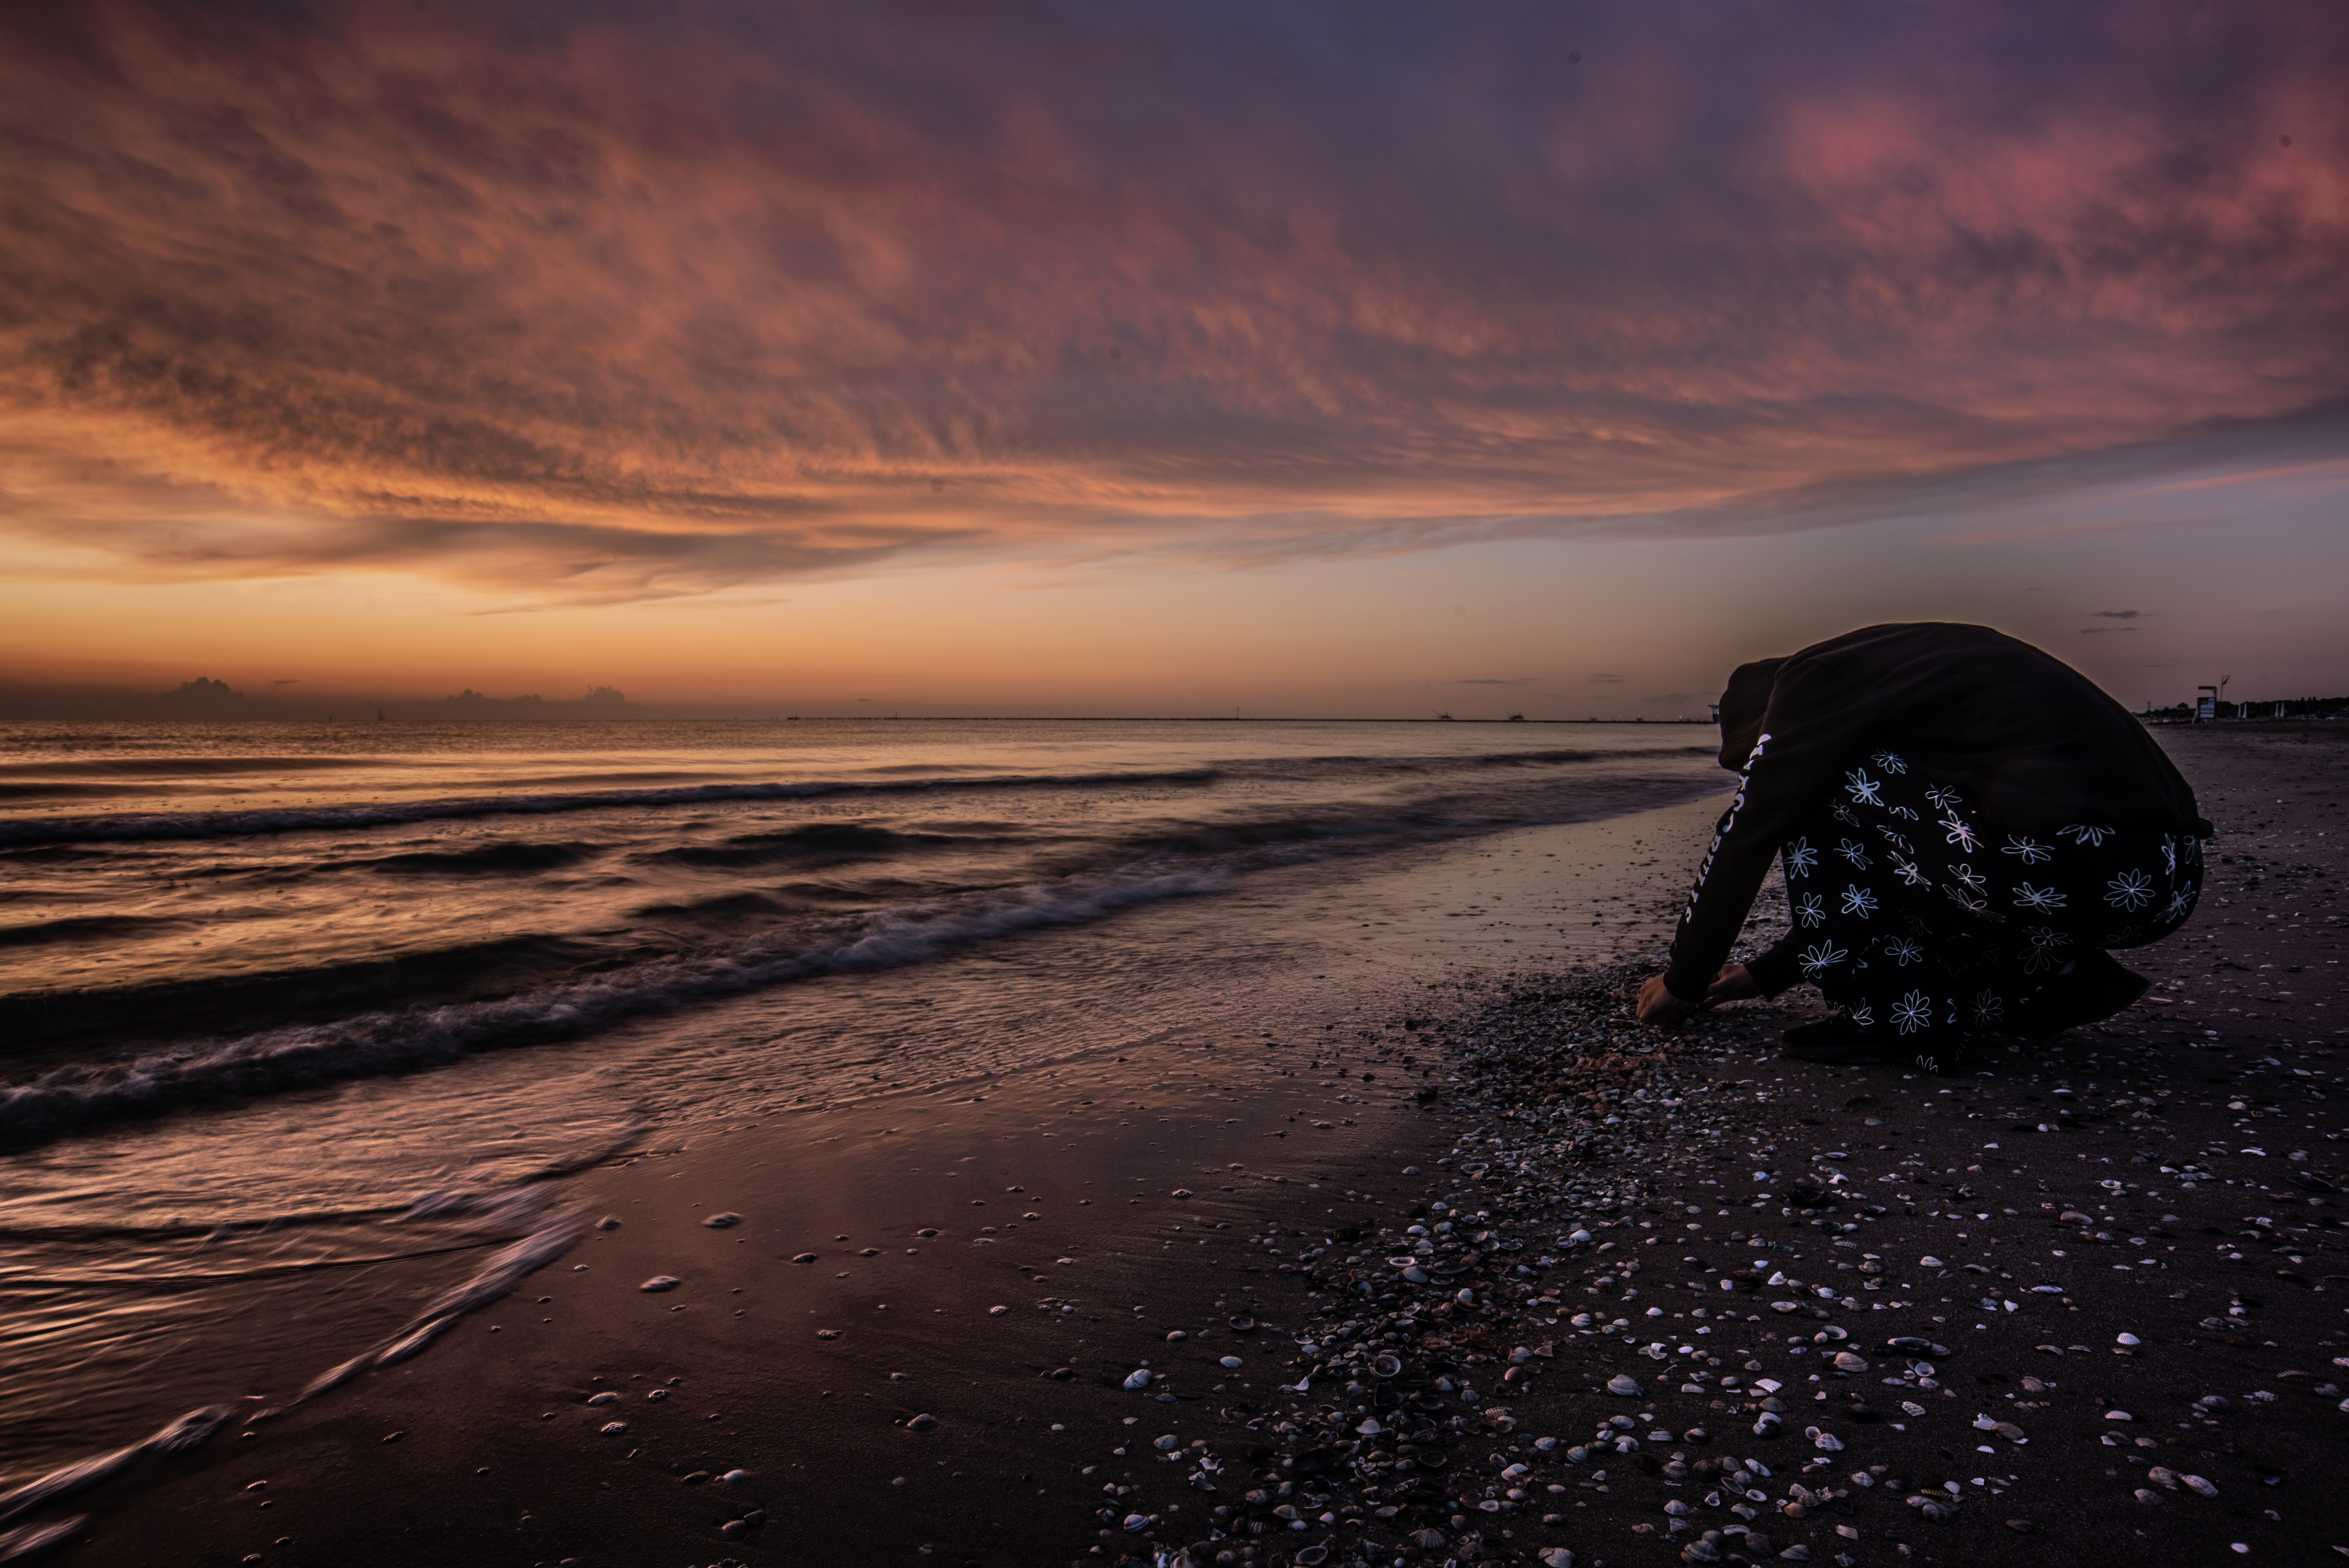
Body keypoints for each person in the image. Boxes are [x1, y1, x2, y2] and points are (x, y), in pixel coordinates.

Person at [1634, 623, 2211, 1070]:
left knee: (1815, 791)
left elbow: (1748, 832)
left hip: (2073, 866)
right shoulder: (1903, 671)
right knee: (1910, 818)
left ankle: (1898, 1020)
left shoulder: (1812, 683)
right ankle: (2051, 979)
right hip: (2166, 876)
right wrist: (1768, 973)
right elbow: (1919, 861)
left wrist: (1686, 978)